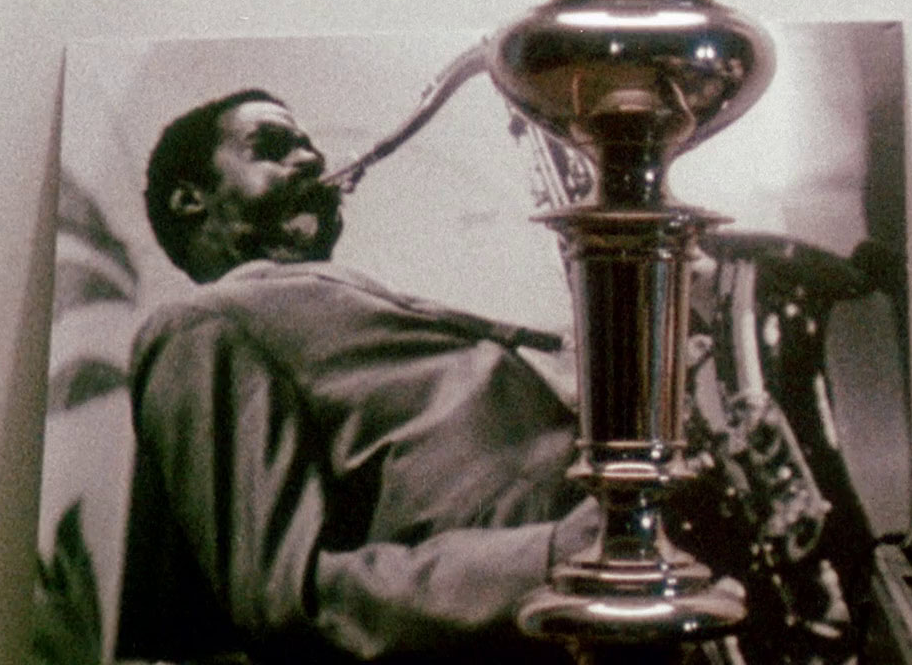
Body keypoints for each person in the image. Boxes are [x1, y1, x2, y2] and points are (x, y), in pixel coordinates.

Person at [116, 89, 598, 664]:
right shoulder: (198, 323)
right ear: (189, 199)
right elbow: (288, 599)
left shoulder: (326, 304)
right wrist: (554, 557)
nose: (311, 159)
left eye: (308, 146)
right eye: (271, 147)